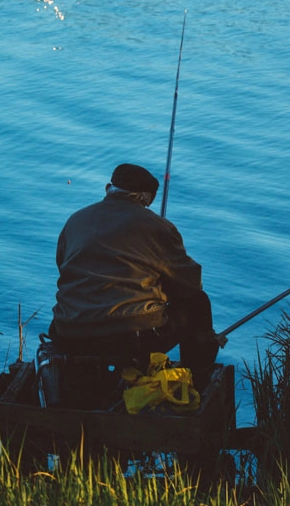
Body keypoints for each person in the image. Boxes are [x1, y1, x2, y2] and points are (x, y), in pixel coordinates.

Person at [46, 163, 220, 403]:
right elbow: (190, 285)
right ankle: (197, 383)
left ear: (108, 188)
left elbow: (63, 267)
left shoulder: (75, 221)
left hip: (69, 334)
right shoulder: (159, 227)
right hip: (129, 339)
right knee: (198, 304)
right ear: (145, 198)